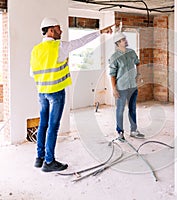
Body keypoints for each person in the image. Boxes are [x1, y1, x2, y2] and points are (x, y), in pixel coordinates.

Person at [30, 17, 112, 172]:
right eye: (58, 28)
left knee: (43, 124)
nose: (61, 31)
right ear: (51, 30)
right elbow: (82, 42)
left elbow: (32, 73)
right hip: (56, 93)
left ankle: (39, 158)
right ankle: (49, 161)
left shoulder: (36, 50)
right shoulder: (59, 46)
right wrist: (100, 32)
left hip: (42, 93)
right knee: (53, 126)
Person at [109, 32, 145, 141]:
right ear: (118, 43)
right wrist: (114, 89)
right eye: (123, 39)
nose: (126, 40)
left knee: (132, 109)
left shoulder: (131, 53)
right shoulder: (114, 57)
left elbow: (138, 63)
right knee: (120, 110)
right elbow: (112, 74)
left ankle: (134, 130)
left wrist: (138, 75)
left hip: (133, 86)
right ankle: (120, 132)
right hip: (121, 88)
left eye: (125, 39)